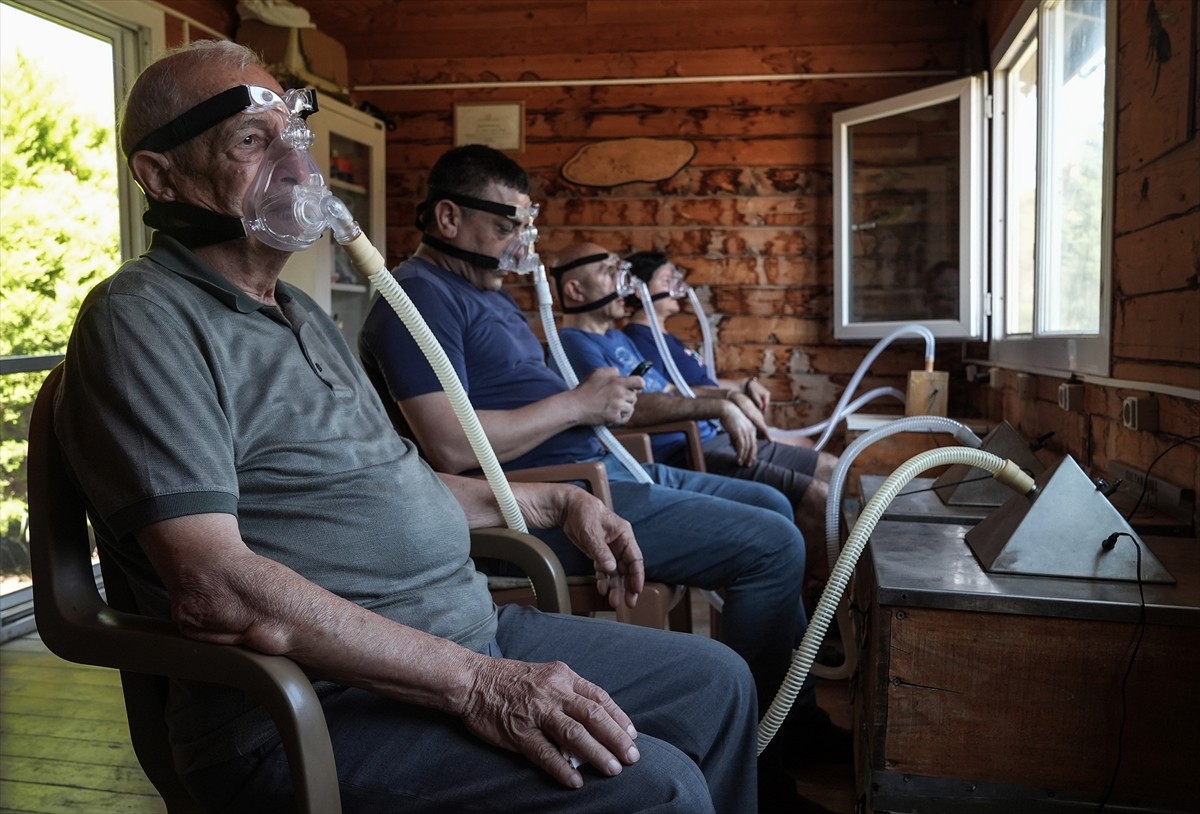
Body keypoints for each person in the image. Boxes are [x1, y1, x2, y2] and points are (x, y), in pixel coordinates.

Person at [54, 40, 762, 814]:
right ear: (161, 176)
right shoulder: (142, 319)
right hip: (314, 703)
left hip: (464, 634)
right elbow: (214, 585)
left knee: (719, 684)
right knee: (660, 791)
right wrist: (477, 685)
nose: (297, 170)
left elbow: (397, 487)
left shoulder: (305, 318)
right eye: (251, 142)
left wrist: (552, 503)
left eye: (293, 138)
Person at [358, 145, 846, 810]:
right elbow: (449, 444)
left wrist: (602, 402)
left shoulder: (488, 298)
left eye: (527, 227)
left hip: (610, 472)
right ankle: (771, 755)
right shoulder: (415, 297)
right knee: (771, 545)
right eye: (507, 226)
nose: (521, 245)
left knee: (771, 505)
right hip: (549, 497)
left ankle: (790, 721)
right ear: (448, 218)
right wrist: (579, 404)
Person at [552, 243, 837, 585]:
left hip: (698, 439)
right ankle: (824, 611)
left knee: (804, 489)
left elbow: (672, 391)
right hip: (676, 451)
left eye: (623, 272)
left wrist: (731, 394)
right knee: (809, 504)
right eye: (611, 273)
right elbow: (625, 409)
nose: (624, 283)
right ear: (575, 289)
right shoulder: (572, 344)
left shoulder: (615, 339)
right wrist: (719, 405)